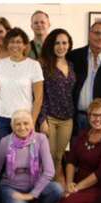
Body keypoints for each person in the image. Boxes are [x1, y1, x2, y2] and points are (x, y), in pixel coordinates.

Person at [0, 110, 64, 203]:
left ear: (32, 124)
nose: (22, 127)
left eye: (26, 123)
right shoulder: (5, 141)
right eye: (18, 124)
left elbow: (49, 171)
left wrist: (32, 194)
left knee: (57, 189)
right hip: (11, 187)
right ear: (12, 126)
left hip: (35, 185)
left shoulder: (41, 139)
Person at [59, 98, 101, 203]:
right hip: (78, 181)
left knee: (68, 202)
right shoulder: (82, 134)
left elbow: (100, 173)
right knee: (63, 200)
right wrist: (70, 183)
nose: (98, 119)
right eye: (94, 115)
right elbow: (71, 161)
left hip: (100, 187)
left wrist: (76, 188)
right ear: (89, 116)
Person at [0, 27, 44, 138]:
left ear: (25, 45)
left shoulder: (34, 65)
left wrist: (32, 121)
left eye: (19, 42)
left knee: (22, 149)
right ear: (7, 44)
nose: (15, 45)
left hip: (23, 119)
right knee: (2, 148)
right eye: (12, 42)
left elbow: (39, 97)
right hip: (1, 117)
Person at [38, 28, 76, 183]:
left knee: (59, 157)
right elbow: (40, 95)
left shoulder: (72, 65)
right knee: (48, 156)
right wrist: (42, 120)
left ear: (69, 45)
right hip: (50, 118)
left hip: (68, 118)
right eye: (57, 43)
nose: (61, 46)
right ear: (51, 45)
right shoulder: (44, 65)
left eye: (64, 43)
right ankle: (45, 189)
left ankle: (53, 191)